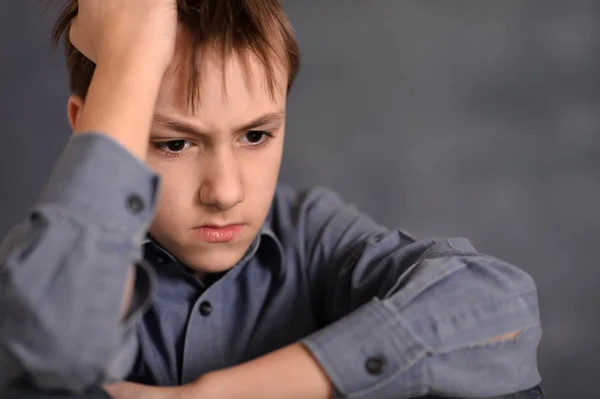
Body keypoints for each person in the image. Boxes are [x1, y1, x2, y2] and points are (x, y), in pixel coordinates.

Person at [0, 0, 545, 398]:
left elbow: (500, 306)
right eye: (174, 143)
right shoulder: (48, 265)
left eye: (255, 136)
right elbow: (58, 352)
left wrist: (217, 396)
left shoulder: (310, 233)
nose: (226, 193)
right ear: (91, 125)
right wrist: (130, 61)